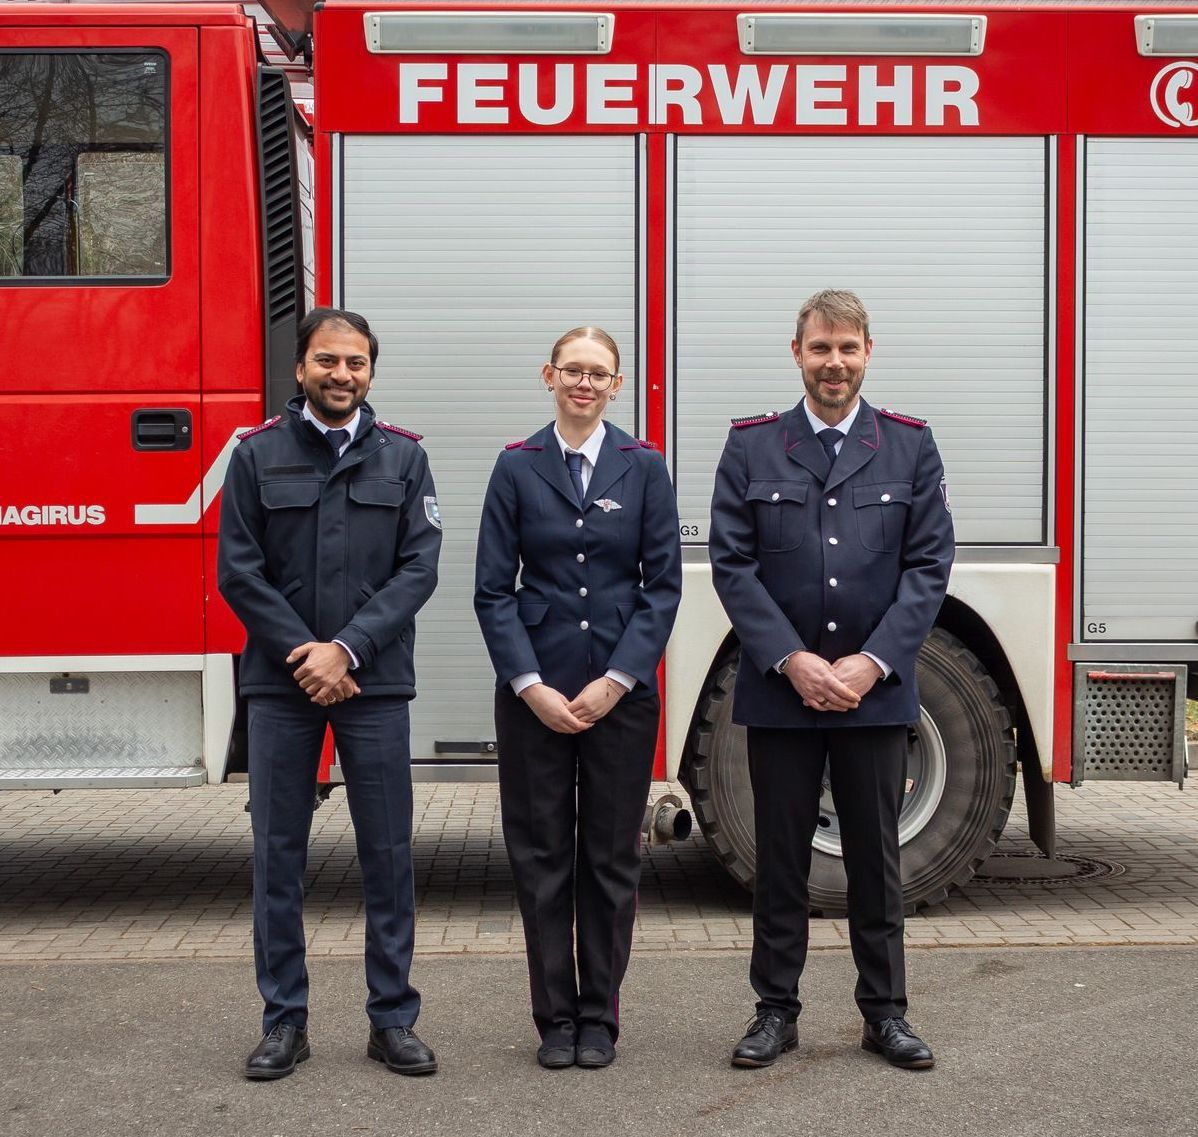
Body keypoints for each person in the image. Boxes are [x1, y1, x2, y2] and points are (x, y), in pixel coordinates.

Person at [709, 289, 954, 1071]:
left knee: (876, 862)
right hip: (782, 694)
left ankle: (885, 1013)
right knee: (779, 860)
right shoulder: (752, 447)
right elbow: (732, 564)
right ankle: (774, 1011)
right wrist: (793, 658)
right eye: (821, 348)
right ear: (797, 353)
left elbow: (929, 566)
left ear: (868, 352)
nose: (834, 362)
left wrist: (871, 660)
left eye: (848, 347)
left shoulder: (909, 446)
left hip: (872, 696)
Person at [218, 307, 442, 1081]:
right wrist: (307, 654)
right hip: (281, 684)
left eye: (355, 362)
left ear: (370, 371)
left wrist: (346, 649)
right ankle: (284, 1021)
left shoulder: (405, 458)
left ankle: (393, 1019)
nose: (341, 374)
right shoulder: (256, 455)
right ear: (300, 368)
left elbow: (419, 568)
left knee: (388, 854)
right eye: (327, 360)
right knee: (277, 855)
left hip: (372, 681)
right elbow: (238, 570)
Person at [474, 327, 682, 1070]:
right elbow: (493, 590)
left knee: (610, 857)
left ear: (617, 384)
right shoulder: (516, 466)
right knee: (541, 858)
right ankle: (554, 1019)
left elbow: (662, 587)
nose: (585, 383)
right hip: (534, 695)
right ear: (549, 376)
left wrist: (615, 680)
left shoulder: (644, 466)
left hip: (619, 696)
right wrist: (529, 685)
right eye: (573, 370)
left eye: (599, 373)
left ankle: (600, 1017)